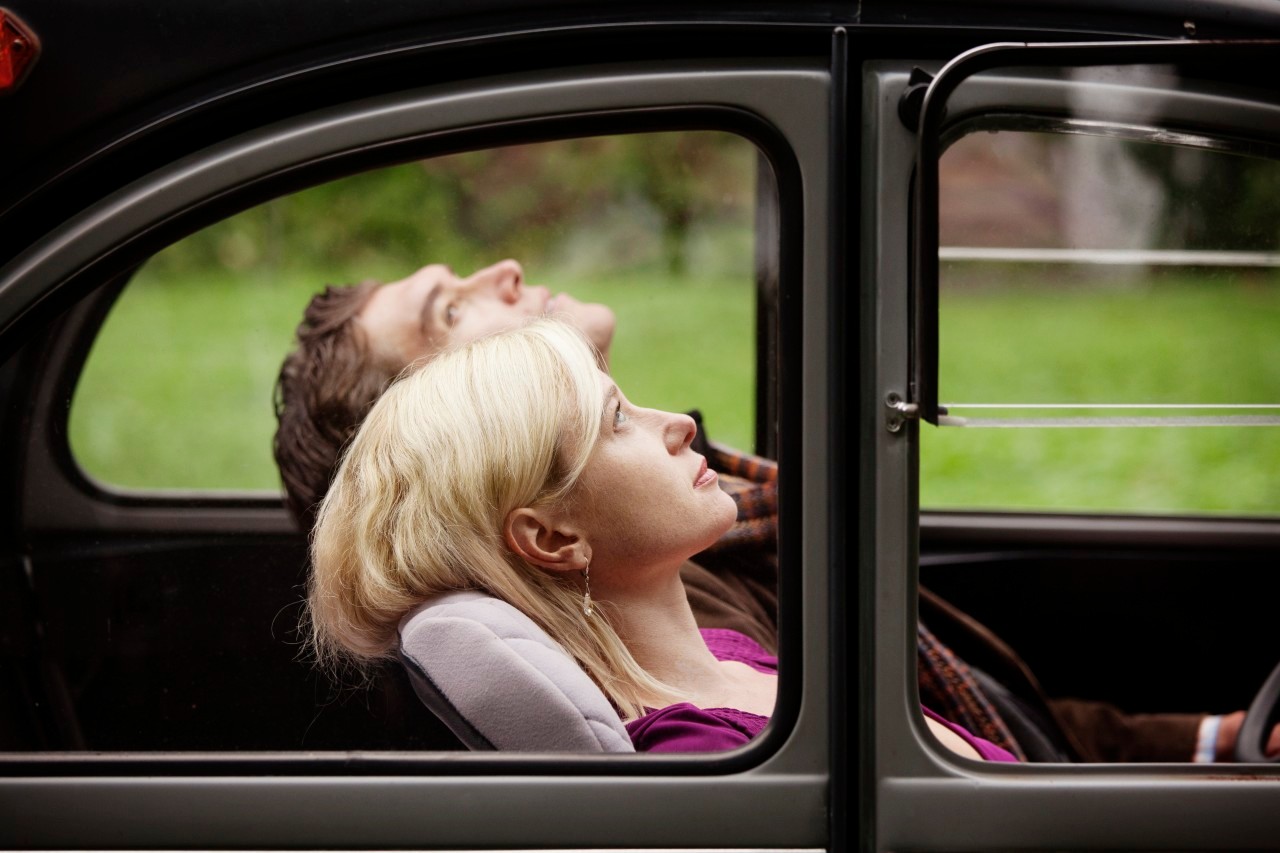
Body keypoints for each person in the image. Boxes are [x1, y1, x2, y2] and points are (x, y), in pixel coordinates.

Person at [275, 260, 1274, 761]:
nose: (501, 273)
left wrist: (1216, 742)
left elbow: (974, 722)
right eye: (451, 314)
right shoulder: (670, 602)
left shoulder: (685, 584)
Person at [304, 318, 1014, 757]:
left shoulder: (729, 654)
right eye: (617, 419)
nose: (678, 421)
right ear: (552, 536)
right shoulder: (702, 753)